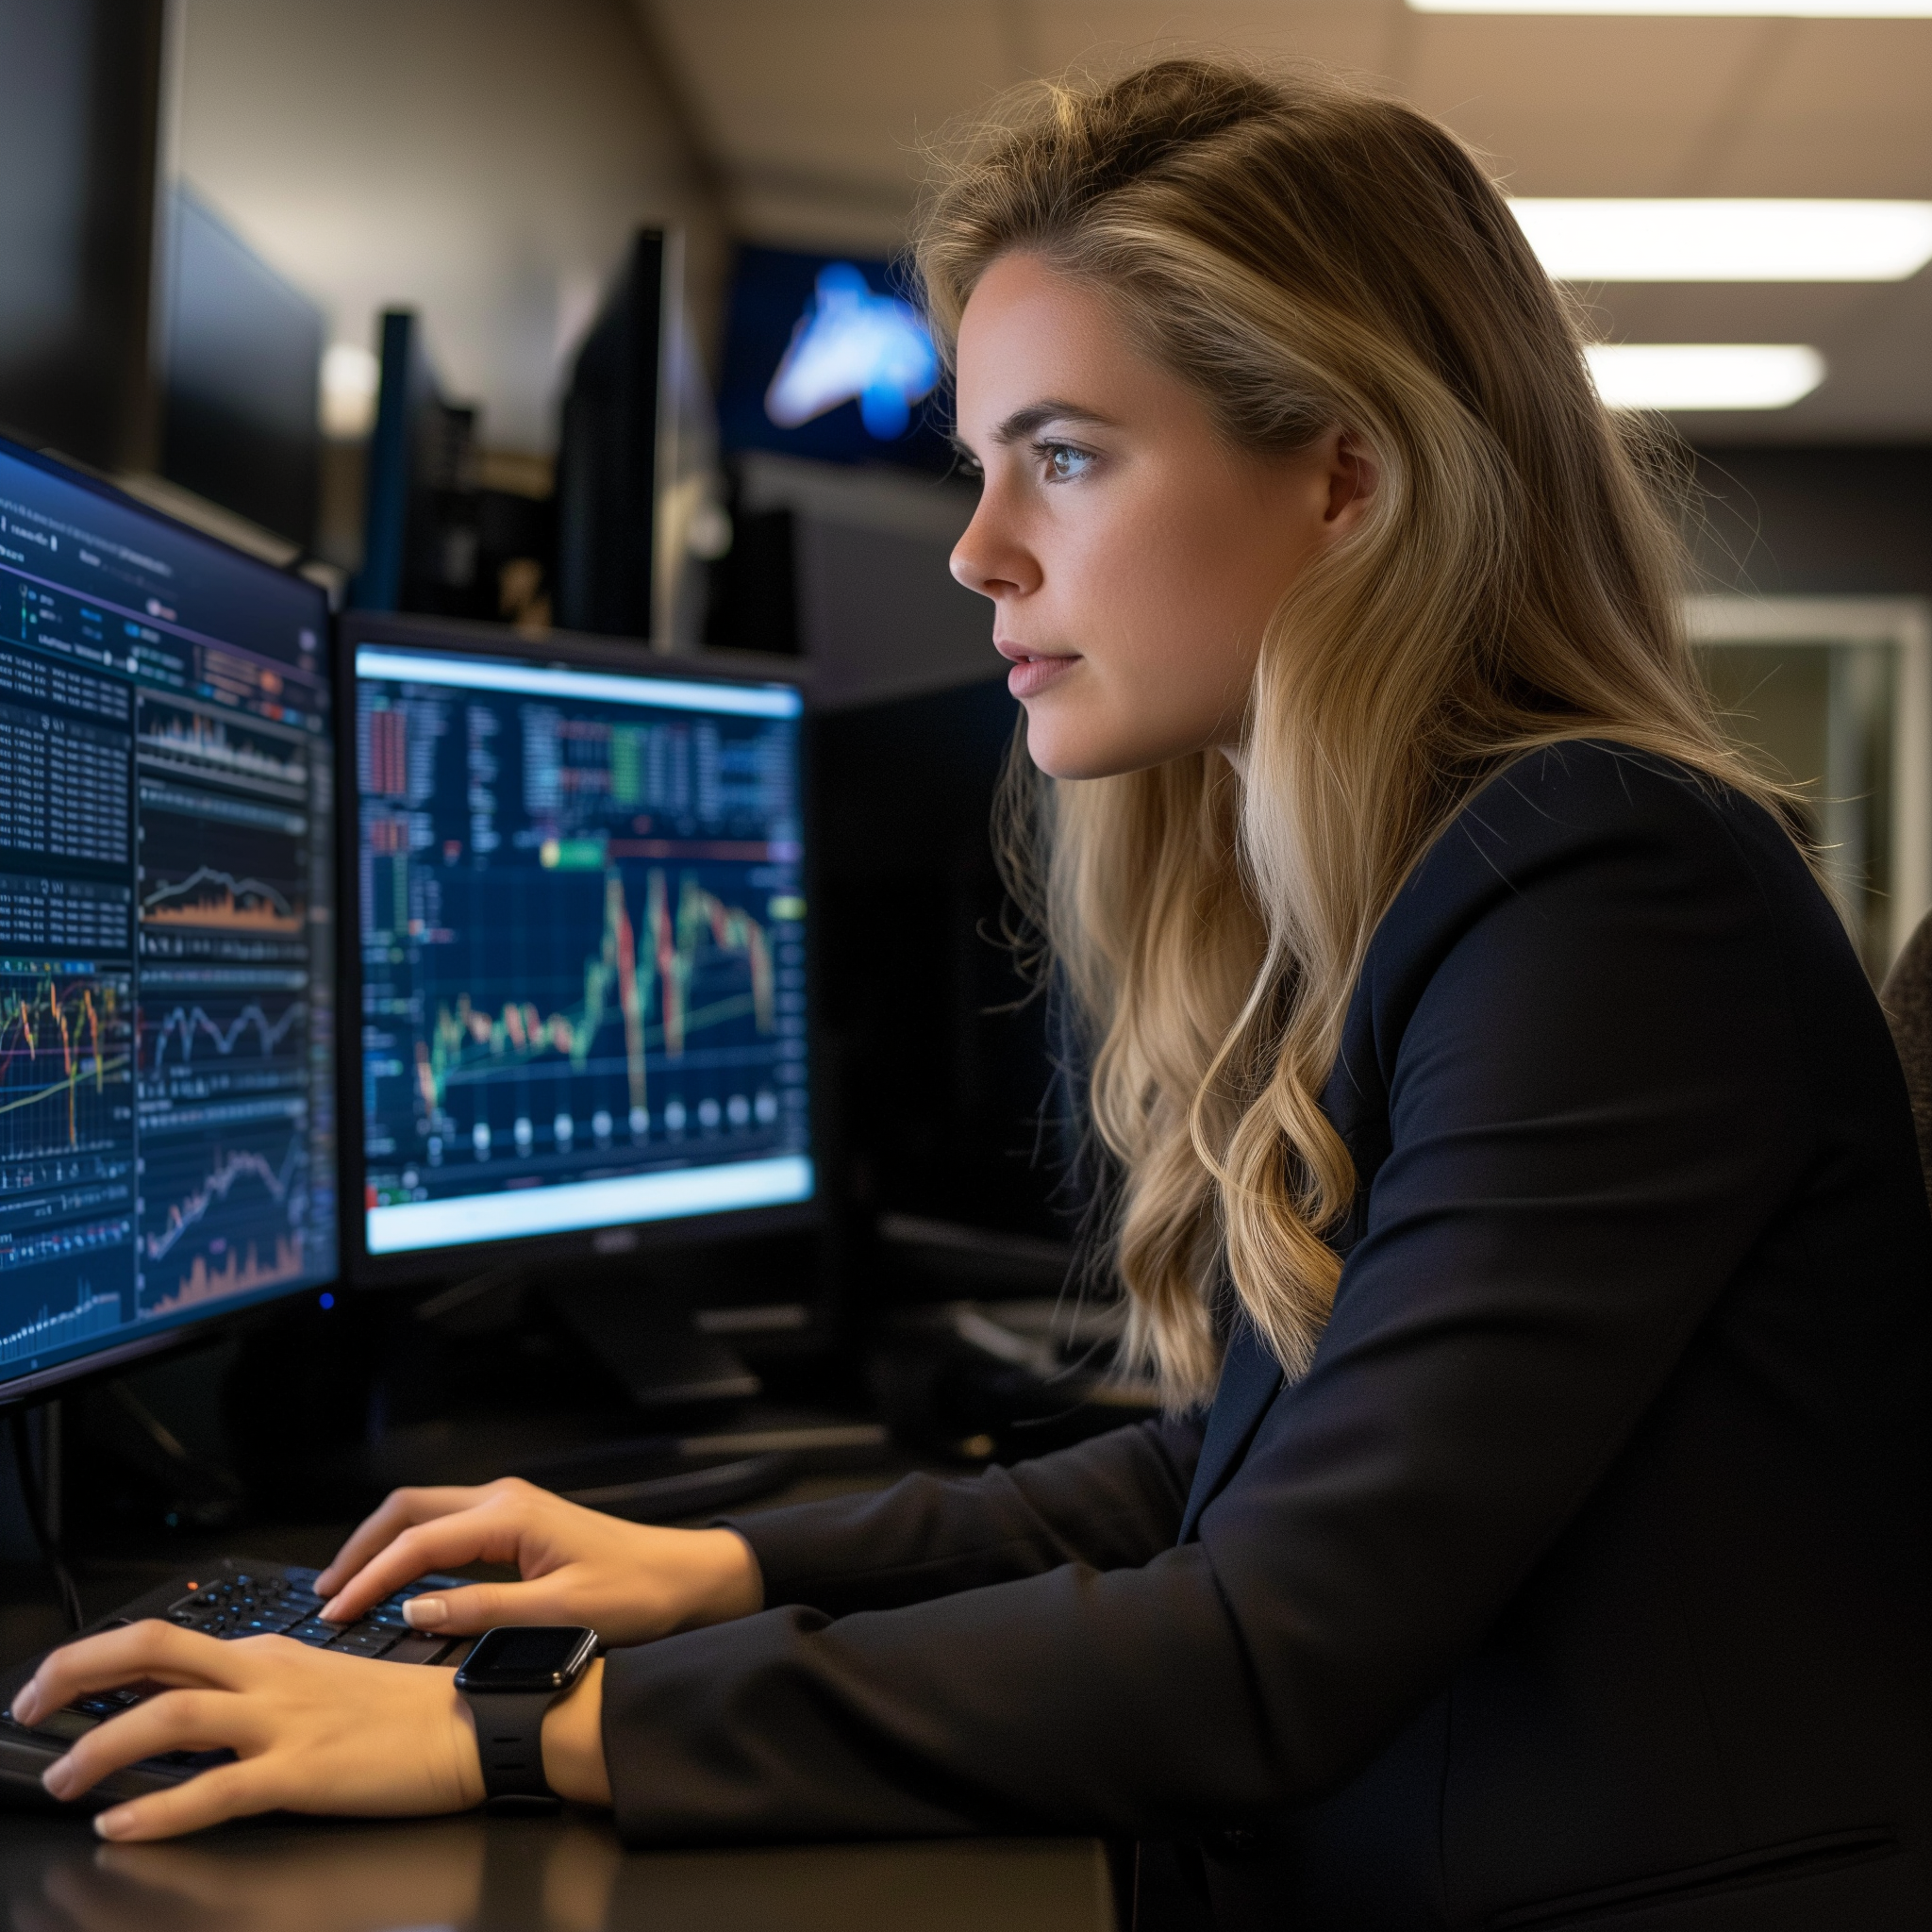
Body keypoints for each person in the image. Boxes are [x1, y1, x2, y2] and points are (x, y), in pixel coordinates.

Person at [14, 58, 1930, 1930]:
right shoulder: (1424, 884)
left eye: (1066, 459)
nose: (975, 548)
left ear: (1345, 478)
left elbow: (1270, 1643)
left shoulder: (1601, 887)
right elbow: (1243, 1474)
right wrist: (720, 1560)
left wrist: (511, 1729)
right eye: (980, 464)